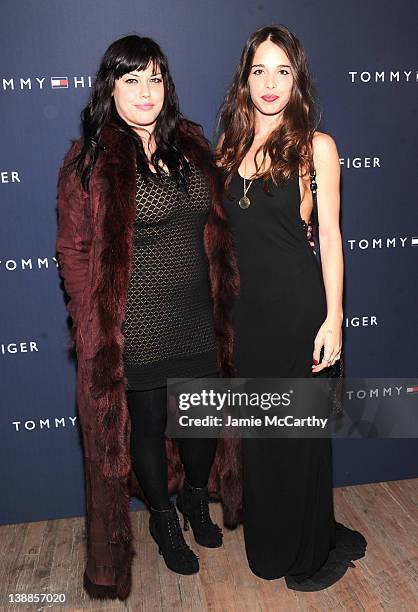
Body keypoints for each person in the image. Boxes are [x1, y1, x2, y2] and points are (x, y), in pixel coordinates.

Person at [56, 34, 240, 600]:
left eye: (154, 78)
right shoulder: (90, 157)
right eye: (131, 79)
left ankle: (191, 499)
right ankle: (162, 516)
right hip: (134, 324)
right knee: (149, 423)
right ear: (110, 89)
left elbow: (218, 224)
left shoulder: (191, 145)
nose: (145, 91)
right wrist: (94, 326)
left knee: (203, 420)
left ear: (167, 87)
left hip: (195, 314)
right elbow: (75, 250)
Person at [217, 25, 367, 591]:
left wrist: (335, 318)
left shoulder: (315, 147)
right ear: (245, 79)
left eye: (283, 70)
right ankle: (272, 542)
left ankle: (309, 549)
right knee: (262, 437)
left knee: (300, 438)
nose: (271, 82)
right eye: (260, 70)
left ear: (296, 78)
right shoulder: (230, 146)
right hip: (247, 317)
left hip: (300, 312)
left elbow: (330, 238)